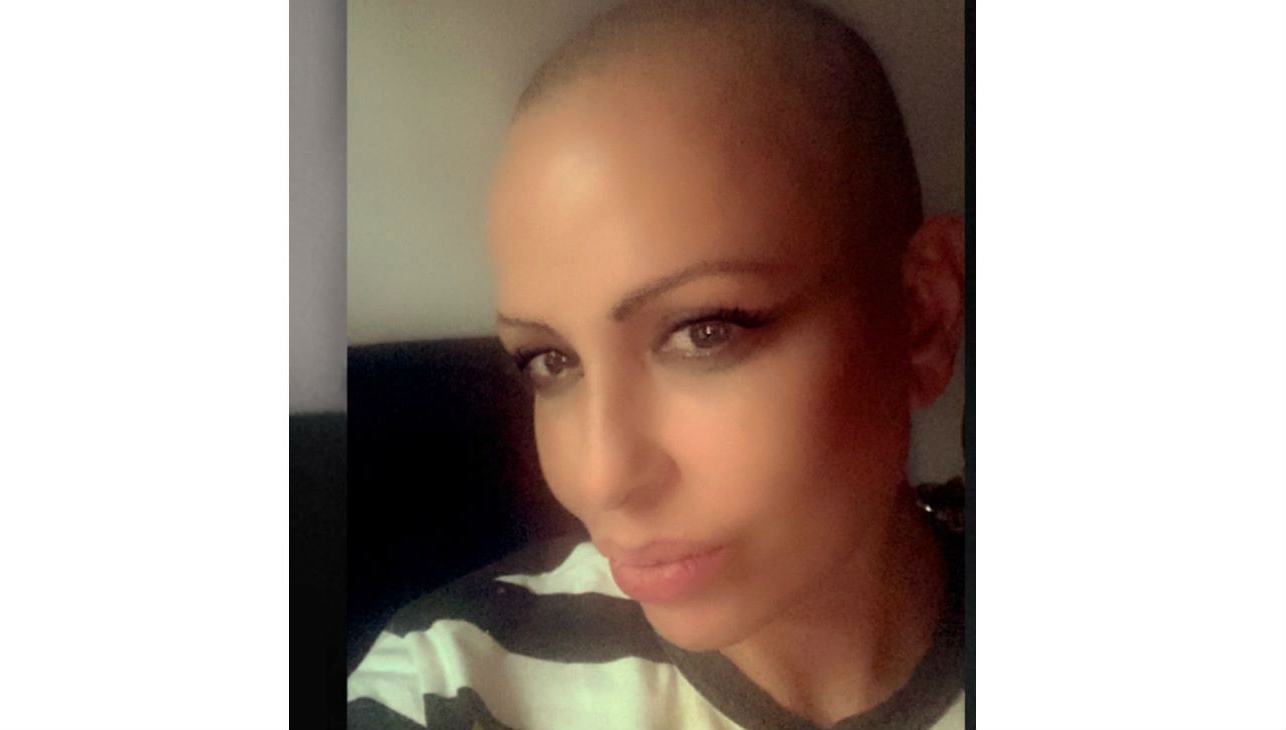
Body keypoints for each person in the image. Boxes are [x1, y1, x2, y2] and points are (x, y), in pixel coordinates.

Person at [347, 0, 966, 727]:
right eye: (550, 361)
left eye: (703, 332)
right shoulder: (447, 685)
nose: (602, 478)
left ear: (921, 315)